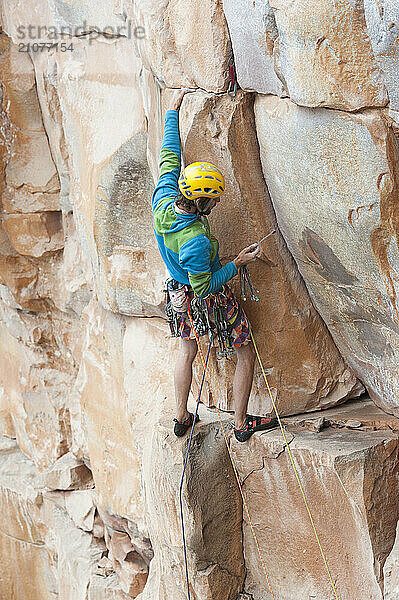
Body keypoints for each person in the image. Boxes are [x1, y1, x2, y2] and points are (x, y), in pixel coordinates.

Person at [151, 89, 277, 442]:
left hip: (176, 290)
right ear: (201, 200)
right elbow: (205, 287)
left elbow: (168, 156)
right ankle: (240, 424)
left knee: (186, 349)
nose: (216, 204)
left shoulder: (163, 197)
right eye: (214, 200)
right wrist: (237, 263)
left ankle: (180, 417)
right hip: (200, 293)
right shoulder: (196, 240)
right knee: (245, 350)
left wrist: (172, 112)